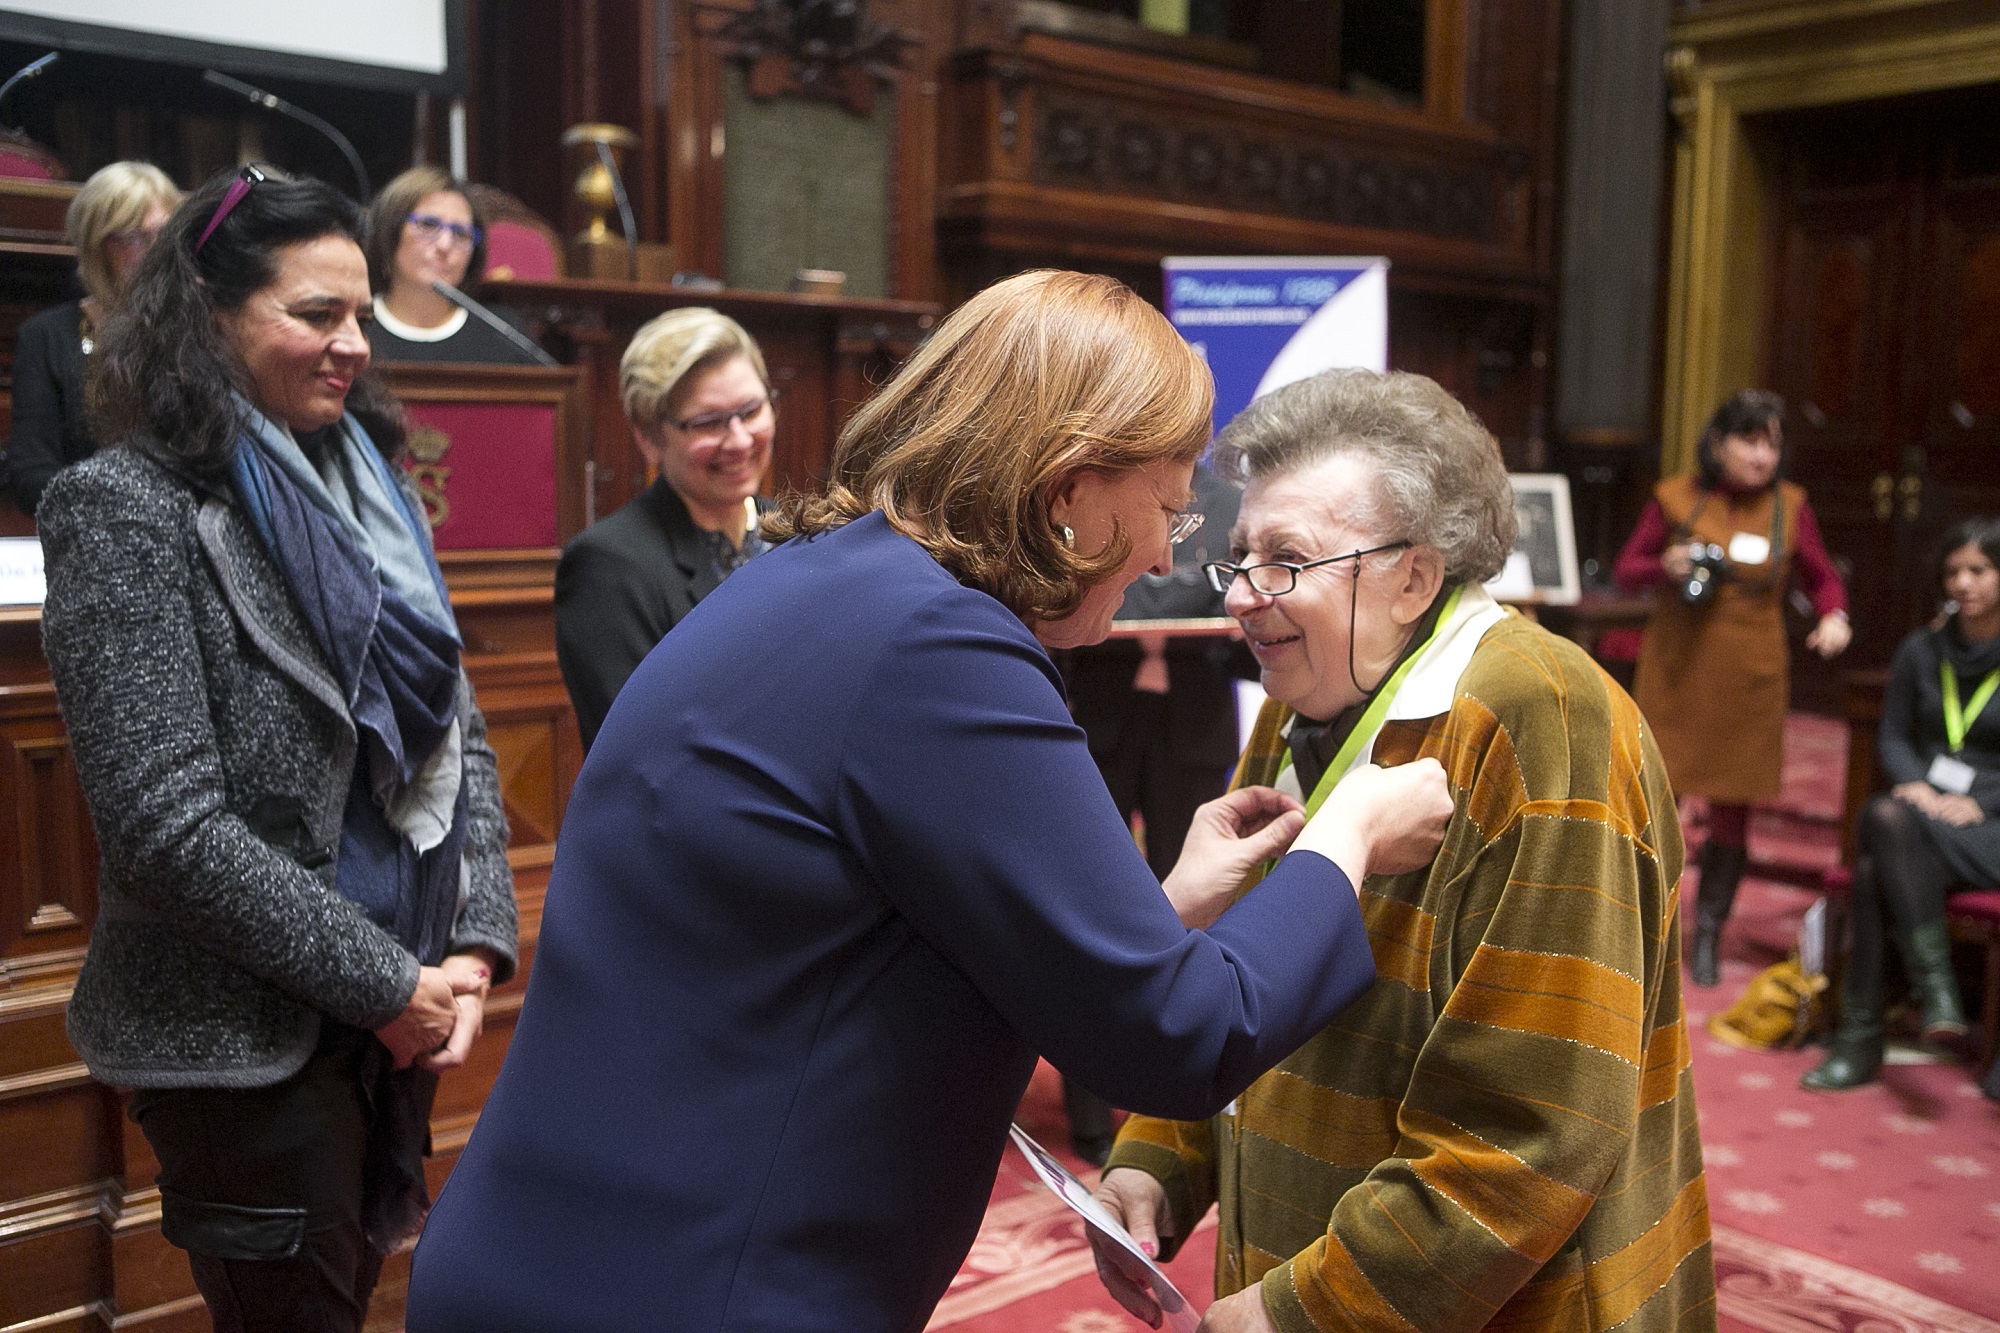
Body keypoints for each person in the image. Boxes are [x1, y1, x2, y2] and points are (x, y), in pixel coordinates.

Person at [405, 270, 1456, 1333]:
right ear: (1065, 485)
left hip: (570, 1248)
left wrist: (1160, 907)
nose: (1156, 558)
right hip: (690, 1283)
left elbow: (871, 935)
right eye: (1168, 510)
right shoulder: (941, 648)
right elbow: (1179, 1038)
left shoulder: (819, 575)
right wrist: (1346, 838)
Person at [1092, 368, 1713, 1333]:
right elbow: (1251, 979)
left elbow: (1532, 1129)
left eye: (1286, 560)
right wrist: (1156, 1157)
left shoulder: (1545, 720)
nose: (1244, 599)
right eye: (1240, 557)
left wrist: (1311, 1308)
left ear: (1415, 575)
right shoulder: (1307, 700)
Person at [35, 164, 518, 1333]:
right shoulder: (121, 506)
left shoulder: (373, 491)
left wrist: (473, 936)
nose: (355, 343)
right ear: (207, 315)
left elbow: (458, 726)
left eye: (361, 314)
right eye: (316, 314)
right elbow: (163, 828)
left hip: (392, 998)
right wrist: (384, 984)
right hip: (246, 1034)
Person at [1615, 389, 1849, 987]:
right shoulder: (1675, 496)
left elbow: (1823, 578)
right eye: (1749, 440)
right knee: (1654, 796)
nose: (1762, 456)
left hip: (1751, 672)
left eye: (1771, 444)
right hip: (1678, 664)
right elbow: (1625, 570)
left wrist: (1834, 616)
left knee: (1732, 806)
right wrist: (1666, 564)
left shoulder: (1791, 506)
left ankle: (1710, 933)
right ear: (1718, 443)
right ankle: (1645, 927)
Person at [1058, 459, 1252, 1163]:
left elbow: (1255, 647)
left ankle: (1181, 1101)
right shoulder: (1108, 491)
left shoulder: (1228, 505)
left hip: (1192, 735)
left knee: (1199, 917)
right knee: (1097, 905)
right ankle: (1088, 1110)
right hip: (1101, 730)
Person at [1804, 517, 2000, 1091]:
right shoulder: (1922, 650)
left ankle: (1862, 1040)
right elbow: (1893, 738)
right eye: (1953, 572)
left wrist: (1979, 804)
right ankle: (1932, 988)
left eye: (1978, 571)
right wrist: (1921, 786)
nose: (1962, 583)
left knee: (1875, 860)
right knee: (1887, 821)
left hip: (1991, 825)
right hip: (1926, 815)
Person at [554, 306, 773, 748]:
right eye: (708, 422)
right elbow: (644, 751)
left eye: (750, 411)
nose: (739, 440)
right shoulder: (608, 565)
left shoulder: (799, 534)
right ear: (649, 438)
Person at [3, 160, 180, 515]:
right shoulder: (47, 336)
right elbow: (29, 472)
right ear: (97, 246)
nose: (154, 248)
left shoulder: (201, 327)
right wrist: (112, 512)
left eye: (164, 232)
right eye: (132, 236)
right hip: (93, 531)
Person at [362, 165, 540, 365]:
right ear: (389, 232)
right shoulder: (356, 327)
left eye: (460, 234)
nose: (445, 245)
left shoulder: (503, 332)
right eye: (428, 225)